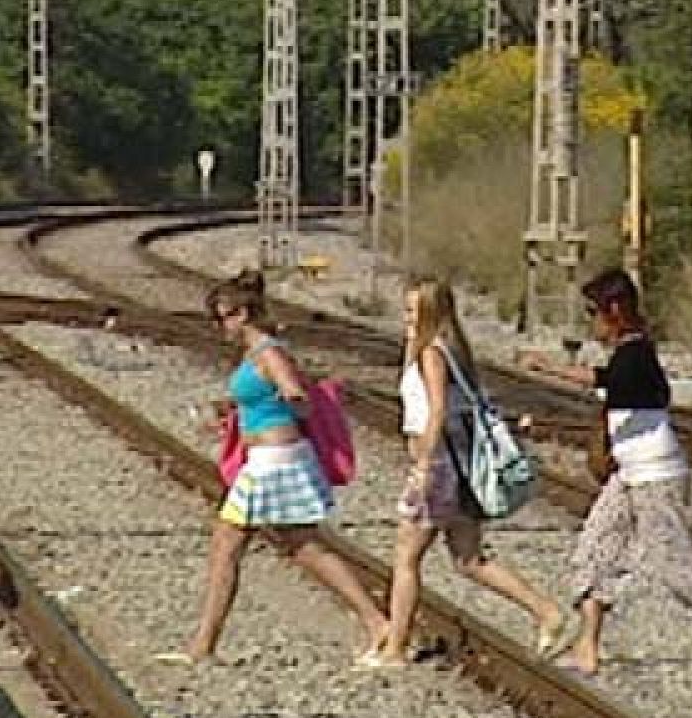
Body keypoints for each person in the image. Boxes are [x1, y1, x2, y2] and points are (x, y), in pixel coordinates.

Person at [518, 268, 692, 676]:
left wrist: (549, 368)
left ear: (615, 310)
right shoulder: (630, 353)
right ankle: (587, 647)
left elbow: (611, 384)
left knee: (672, 563)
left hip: (656, 475)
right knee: (594, 550)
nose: (592, 322)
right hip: (630, 474)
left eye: (594, 312)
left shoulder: (636, 354)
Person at [160, 270, 389, 665]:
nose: (221, 326)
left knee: (247, 546)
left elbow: (296, 395)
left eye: (225, 316)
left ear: (244, 313)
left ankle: (203, 647)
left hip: (273, 463)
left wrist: (289, 402)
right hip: (268, 460)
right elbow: (263, 398)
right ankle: (376, 622)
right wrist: (233, 413)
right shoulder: (257, 353)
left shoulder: (269, 352)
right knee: (295, 546)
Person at [365, 276, 569, 668]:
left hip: (437, 468)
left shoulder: (432, 354)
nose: (406, 317)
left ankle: (395, 649)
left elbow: (437, 409)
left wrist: (423, 463)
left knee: (406, 557)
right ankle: (547, 612)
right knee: (469, 559)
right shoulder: (450, 350)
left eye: (413, 311)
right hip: (456, 467)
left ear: (430, 312)